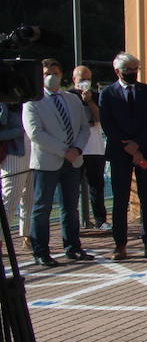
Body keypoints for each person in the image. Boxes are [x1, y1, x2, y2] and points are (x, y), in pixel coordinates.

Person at [23, 59, 92, 266]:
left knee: (71, 207)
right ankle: (41, 251)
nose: (51, 76)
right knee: (42, 208)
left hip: (73, 160)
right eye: (46, 73)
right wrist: (64, 151)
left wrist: (77, 149)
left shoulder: (72, 99)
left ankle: (73, 247)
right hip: (47, 162)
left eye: (54, 72)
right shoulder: (32, 101)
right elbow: (35, 133)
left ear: (62, 74)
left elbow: (83, 128)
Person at [99, 52, 147, 260]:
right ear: (117, 71)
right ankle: (120, 245)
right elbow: (107, 124)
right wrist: (127, 146)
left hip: (145, 149)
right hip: (120, 152)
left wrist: (138, 144)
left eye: (135, 70)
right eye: (128, 71)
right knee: (120, 199)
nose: (132, 74)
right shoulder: (108, 93)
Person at [72, 65, 108, 231]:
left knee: (96, 186)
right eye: (81, 80)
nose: (84, 83)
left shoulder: (97, 96)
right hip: (76, 147)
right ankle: (73, 222)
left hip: (95, 147)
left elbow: (100, 118)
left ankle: (100, 220)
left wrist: (90, 102)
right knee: (72, 187)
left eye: (87, 79)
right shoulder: (69, 97)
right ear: (74, 80)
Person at [0, 102, 32, 248]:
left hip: (34, 154)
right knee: (10, 199)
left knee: (30, 198)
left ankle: (27, 235)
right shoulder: (4, 103)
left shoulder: (30, 99)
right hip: (14, 156)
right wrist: (23, 129)